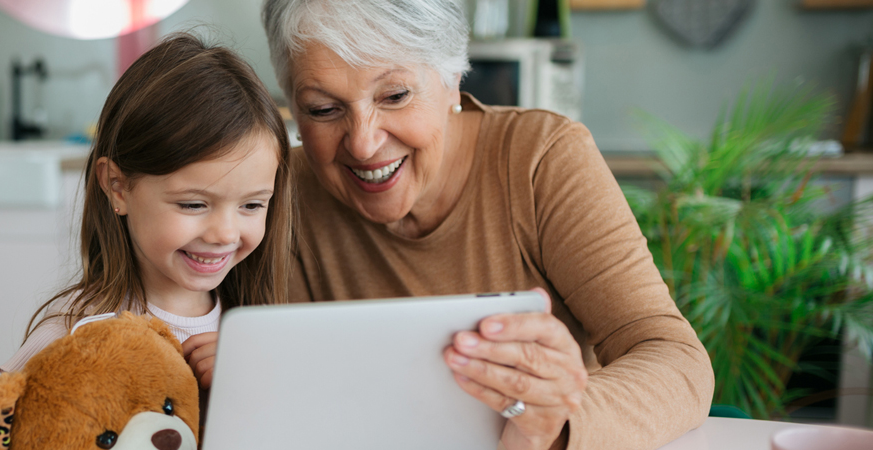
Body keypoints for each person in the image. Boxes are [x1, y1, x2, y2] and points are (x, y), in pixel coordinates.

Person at [261, 1, 713, 449]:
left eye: (395, 96)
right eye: (323, 109)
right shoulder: (277, 193)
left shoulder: (542, 160)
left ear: (453, 80)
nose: (362, 144)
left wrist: (558, 424)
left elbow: (676, 360)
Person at [0, 33, 294, 397]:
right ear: (117, 187)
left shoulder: (261, 335)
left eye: (251, 205)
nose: (225, 233)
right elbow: (0, 428)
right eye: (193, 204)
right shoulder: (74, 334)